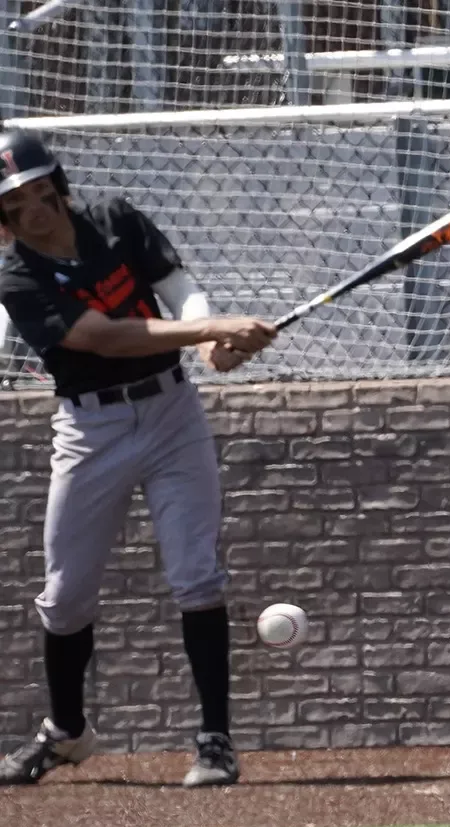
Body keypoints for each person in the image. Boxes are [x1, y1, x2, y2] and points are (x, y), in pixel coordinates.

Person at [0, 131, 277, 788]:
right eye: (17, 205)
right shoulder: (18, 276)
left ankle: (215, 741)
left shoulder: (115, 220)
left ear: (59, 185)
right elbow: (102, 338)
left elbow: (176, 286)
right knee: (65, 599)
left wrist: (210, 345)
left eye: (42, 193)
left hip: (171, 414)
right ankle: (68, 732)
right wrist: (211, 331)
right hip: (90, 428)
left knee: (197, 577)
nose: (36, 210)